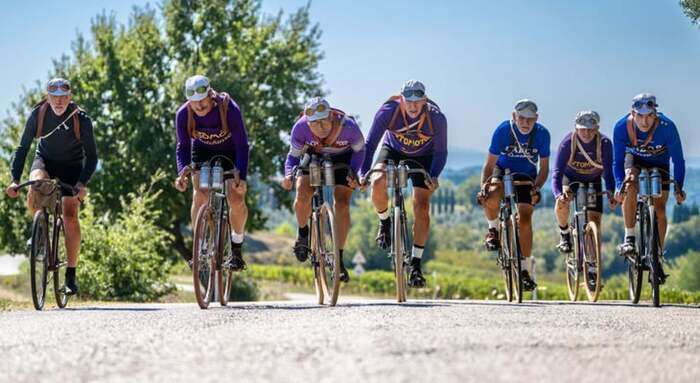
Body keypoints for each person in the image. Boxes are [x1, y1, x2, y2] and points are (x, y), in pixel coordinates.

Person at [6, 78, 98, 295]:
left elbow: (92, 157)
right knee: (36, 182)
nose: (58, 101)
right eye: (54, 97)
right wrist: (15, 179)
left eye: (63, 97)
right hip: (45, 160)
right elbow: (22, 148)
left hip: (72, 166)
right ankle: (39, 232)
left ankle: (71, 276)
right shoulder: (37, 114)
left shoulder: (81, 119)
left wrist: (82, 183)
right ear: (48, 97)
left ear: (70, 97)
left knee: (70, 214)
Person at [360, 80, 448, 288]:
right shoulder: (388, 111)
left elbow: (441, 152)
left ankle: (416, 263)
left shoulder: (436, 117)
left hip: (424, 157)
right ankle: (384, 221)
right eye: (408, 101)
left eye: (418, 102)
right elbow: (370, 144)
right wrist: (364, 173)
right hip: (393, 149)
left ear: (424, 100)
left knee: (422, 204)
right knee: (378, 180)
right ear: (401, 100)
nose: (413, 106)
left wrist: (433, 175)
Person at [281, 97, 365, 283]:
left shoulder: (349, 127)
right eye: (314, 124)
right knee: (302, 190)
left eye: (323, 121)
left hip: (343, 159)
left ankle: (339, 258)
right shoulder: (300, 127)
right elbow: (292, 157)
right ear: (307, 122)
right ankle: (303, 233)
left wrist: (355, 173)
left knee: (342, 203)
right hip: (313, 158)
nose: (320, 127)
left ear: (331, 117)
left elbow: (360, 151)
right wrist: (288, 176)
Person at [174, 75, 250, 270]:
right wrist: (182, 172)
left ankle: (236, 249)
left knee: (236, 198)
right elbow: (182, 145)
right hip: (202, 151)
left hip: (231, 151)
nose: (198, 107)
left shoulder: (228, 107)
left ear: (210, 95)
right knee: (199, 194)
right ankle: (199, 249)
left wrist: (241, 176)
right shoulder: (183, 114)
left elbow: (242, 144)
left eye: (202, 102)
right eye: (194, 103)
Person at [477, 99, 550, 291]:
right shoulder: (503, 131)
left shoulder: (542, 134)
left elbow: (544, 168)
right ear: (514, 117)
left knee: (525, 218)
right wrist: (484, 187)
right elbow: (489, 164)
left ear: (536, 118)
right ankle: (493, 229)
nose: (525, 123)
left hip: (527, 176)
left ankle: (524, 270)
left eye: (530, 119)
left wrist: (537, 187)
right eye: (521, 118)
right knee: (492, 194)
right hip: (502, 171)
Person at [613, 93, 685, 283]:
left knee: (660, 209)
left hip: (659, 164)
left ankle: (657, 255)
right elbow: (617, 161)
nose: (644, 121)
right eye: (640, 116)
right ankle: (629, 237)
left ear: (655, 113)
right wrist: (619, 185)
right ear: (632, 113)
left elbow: (678, 161)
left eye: (649, 116)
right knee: (630, 185)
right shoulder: (621, 127)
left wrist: (679, 188)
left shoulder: (668, 127)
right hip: (633, 162)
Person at [551, 110, 616, 290]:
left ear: (597, 128)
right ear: (576, 129)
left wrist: (610, 191)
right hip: (570, 179)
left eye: (590, 129)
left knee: (595, 221)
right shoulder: (567, 143)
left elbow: (608, 172)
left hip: (594, 180)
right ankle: (564, 233)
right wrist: (558, 194)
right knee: (563, 202)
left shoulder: (604, 144)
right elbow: (556, 173)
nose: (586, 133)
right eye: (582, 129)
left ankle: (593, 268)